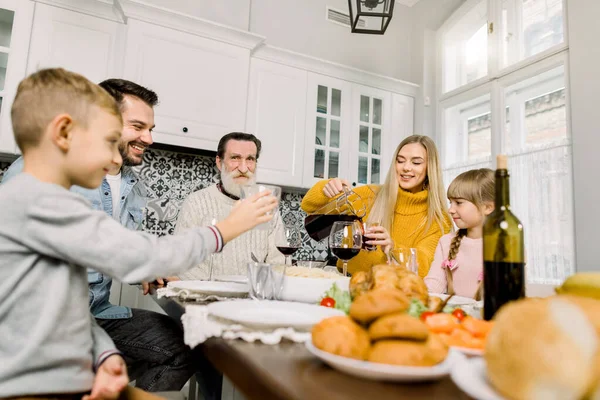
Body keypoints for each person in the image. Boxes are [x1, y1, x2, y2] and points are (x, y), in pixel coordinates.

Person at [0, 68, 277, 398]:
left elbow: (76, 303)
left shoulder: (121, 187)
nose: (115, 156)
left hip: (84, 330)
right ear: (65, 132)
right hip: (31, 375)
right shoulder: (39, 196)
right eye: (109, 140)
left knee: (183, 345)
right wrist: (226, 229)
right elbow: (135, 254)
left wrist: (105, 354)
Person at [1, 78, 198, 392]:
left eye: (151, 128)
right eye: (137, 126)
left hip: (97, 313)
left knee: (183, 344)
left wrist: (150, 270)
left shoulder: (134, 186)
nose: (149, 138)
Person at [301, 134, 452, 277]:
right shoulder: (369, 195)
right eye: (400, 160)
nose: (406, 167)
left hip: (392, 292)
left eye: (416, 162)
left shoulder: (439, 219)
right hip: (347, 281)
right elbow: (308, 207)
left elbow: (424, 268)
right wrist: (325, 188)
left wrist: (393, 248)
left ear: (429, 168)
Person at [174, 132, 285, 280]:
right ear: (219, 163)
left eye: (250, 159)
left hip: (252, 299)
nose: (243, 168)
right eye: (235, 158)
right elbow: (182, 262)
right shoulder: (196, 203)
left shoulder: (267, 206)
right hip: (204, 298)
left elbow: (279, 264)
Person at [424, 168, 495, 299]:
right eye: (450, 202)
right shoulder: (446, 242)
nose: (450, 210)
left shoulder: (507, 245)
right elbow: (434, 284)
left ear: (487, 207)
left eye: (459, 203)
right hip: (456, 317)